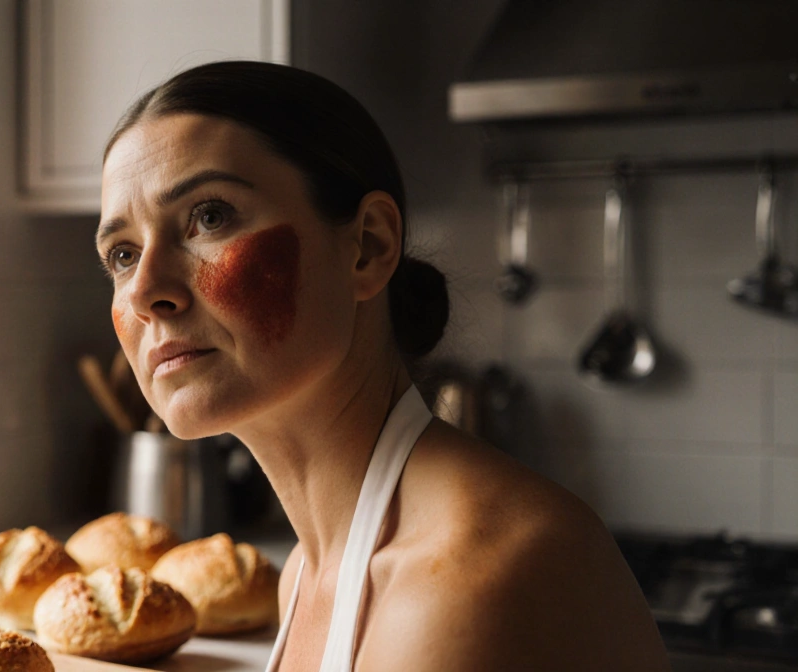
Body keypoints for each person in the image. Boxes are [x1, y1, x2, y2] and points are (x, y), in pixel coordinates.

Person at [96, 60, 670, 671]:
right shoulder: (306, 575)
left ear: (368, 246)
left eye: (210, 216)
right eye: (123, 254)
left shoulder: (468, 579)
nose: (144, 291)